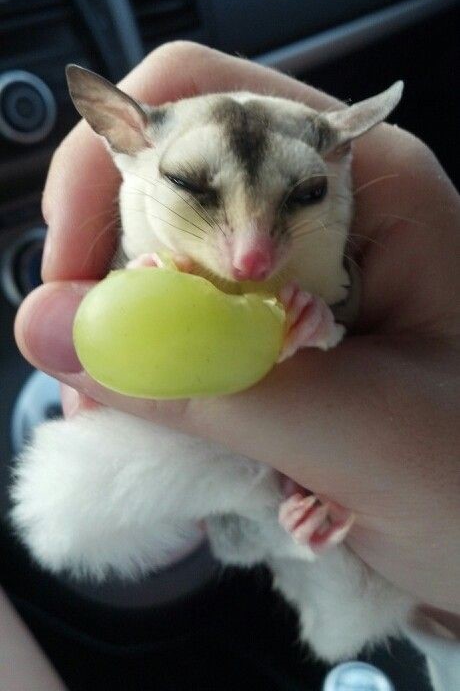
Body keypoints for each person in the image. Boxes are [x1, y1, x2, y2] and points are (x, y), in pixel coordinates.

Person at [12, 42, 460, 687]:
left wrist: (315, 328)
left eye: (303, 193)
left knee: (309, 558)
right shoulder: (154, 230)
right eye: (190, 185)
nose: (252, 256)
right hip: (260, 503)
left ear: (335, 163)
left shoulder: (335, 267)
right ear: (123, 138)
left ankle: (297, 533)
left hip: (318, 517)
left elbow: (342, 327)